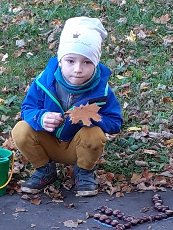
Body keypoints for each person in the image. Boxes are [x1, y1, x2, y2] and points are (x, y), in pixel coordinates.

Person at [12, 17, 123, 197]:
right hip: (48, 141)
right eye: (71, 61)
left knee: (94, 134)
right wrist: (41, 117)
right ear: (60, 60)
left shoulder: (102, 91)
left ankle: (84, 172)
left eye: (87, 62)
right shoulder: (44, 82)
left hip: (78, 146)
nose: (78, 69)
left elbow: (115, 122)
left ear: (95, 63)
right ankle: (44, 170)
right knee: (21, 130)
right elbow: (27, 109)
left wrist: (92, 116)